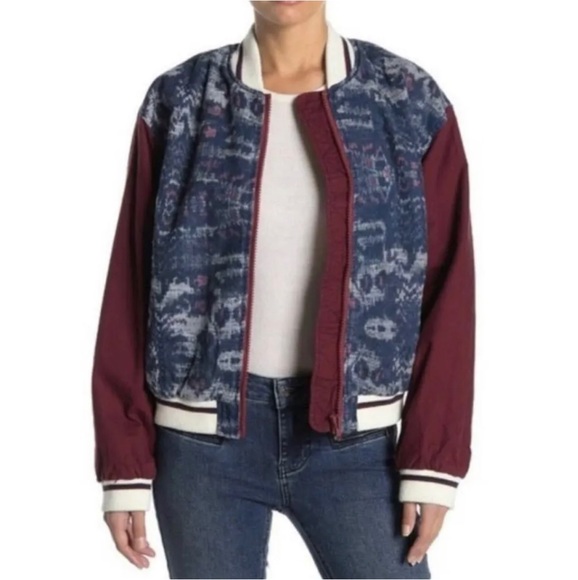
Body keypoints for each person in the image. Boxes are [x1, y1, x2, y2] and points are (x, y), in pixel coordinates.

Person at [91, 1, 476, 578]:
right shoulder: (181, 99)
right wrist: (124, 466)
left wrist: (432, 464)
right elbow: (130, 282)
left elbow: (449, 287)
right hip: (202, 444)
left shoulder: (407, 100)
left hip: (354, 439)